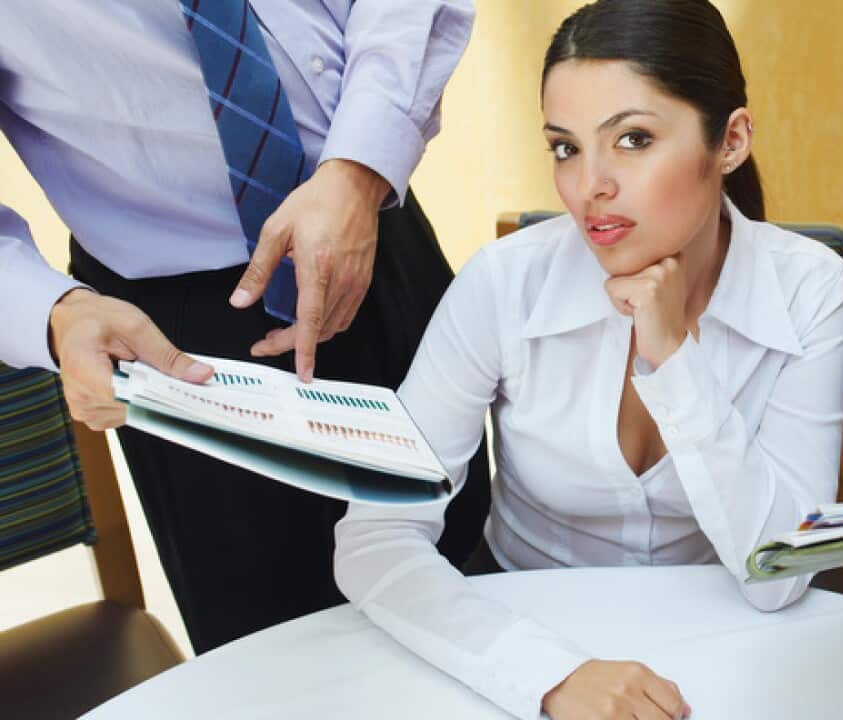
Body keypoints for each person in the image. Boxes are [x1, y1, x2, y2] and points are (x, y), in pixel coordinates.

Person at [333, 1, 843, 718]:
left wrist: (673, 358)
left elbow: (777, 574)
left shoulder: (810, 289)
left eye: (633, 139)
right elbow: (374, 534)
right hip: (517, 644)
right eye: (566, 147)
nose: (591, 186)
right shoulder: (504, 283)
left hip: (733, 645)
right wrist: (548, 675)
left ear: (730, 140)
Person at [0, 1, 490, 653]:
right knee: (282, 662)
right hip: (177, 331)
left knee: (476, 599)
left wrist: (360, 170)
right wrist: (55, 313)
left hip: (373, 228)